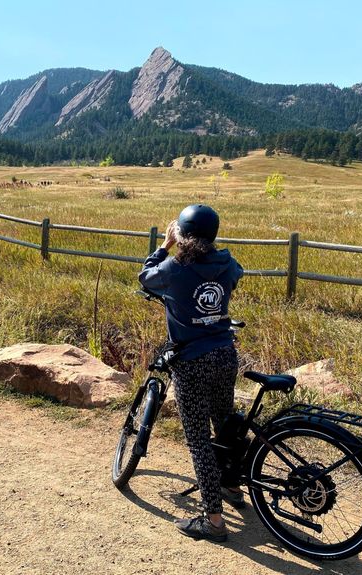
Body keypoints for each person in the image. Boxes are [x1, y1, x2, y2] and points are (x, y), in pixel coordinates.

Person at [138, 204, 244, 543]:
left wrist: (164, 246)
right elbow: (237, 276)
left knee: (198, 440)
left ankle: (213, 521)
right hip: (225, 354)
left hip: (192, 361)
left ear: (180, 235)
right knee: (224, 423)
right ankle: (231, 485)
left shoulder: (176, 267)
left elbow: (146, 279)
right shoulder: (226, 262)